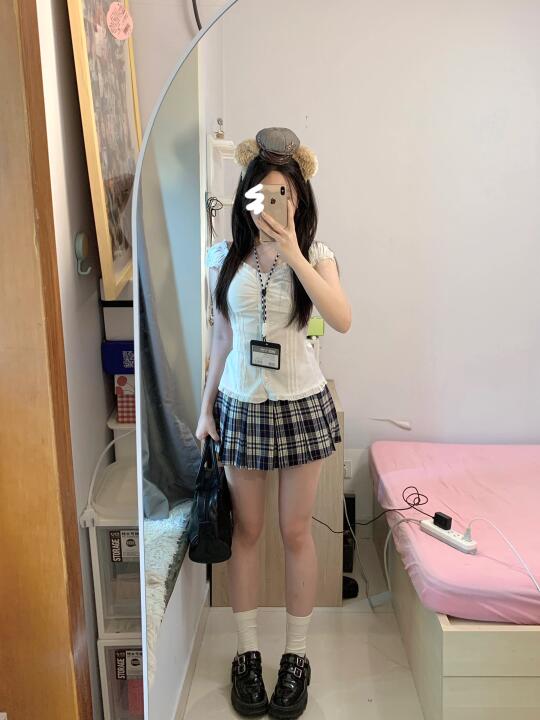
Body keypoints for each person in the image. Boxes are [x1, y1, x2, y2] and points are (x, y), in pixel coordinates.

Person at [195, 127, 351, 719]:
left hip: (301, 404)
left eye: (284, 192)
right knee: (248, 532)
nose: (272, 202)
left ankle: (296, 655)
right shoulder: (222, 258)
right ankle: (246, 654)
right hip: (240, 406)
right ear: (246, 197)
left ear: (299, 198)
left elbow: (341, 318)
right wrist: (205, 408)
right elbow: (222, 338)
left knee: (295, 533)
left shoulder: (317, 255)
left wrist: (293, 251)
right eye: (262, 192)